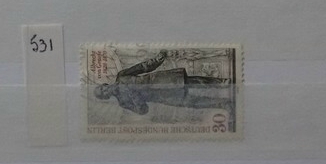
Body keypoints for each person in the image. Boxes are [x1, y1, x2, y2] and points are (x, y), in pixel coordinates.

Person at [93, 50, 234, 116]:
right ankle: (223, 104)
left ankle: (222, 82)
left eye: (102, 89)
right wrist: (135, 97)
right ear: (106, 97)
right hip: (163, 97)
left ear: (105, 85)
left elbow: (142, 67)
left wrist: (157, 59)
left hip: (161, 80)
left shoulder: (121, 76)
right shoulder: (123, 102)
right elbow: (143, 111)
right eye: (103, 94)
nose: (105, 91)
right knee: (193, 102)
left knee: (194, 81)